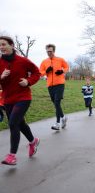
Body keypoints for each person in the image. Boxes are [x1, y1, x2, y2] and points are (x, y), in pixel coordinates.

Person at [0, 36, 40, 165]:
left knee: (12, 123)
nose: (1, 47)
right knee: (20, 123)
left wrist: (28, 81)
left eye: (3, 44)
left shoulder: (23, 61)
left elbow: (36, 72)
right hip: (7, 99)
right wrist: (1, 77)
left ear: (11, 45)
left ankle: (12, 155)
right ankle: (33, 141)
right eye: (0, 45)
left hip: (23, 97)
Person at [40, 44, 69, 130]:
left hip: (60, 84)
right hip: (50, 85)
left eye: (51, 51)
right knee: (56, 104)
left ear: (54, 51)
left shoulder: (60, 60)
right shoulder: (44, 62)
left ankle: (57, 123)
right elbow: (40, 73)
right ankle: (63, 118)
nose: (49, 53)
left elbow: (67, 67)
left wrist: (62, 71)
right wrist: (46, 71)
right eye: (48, 51)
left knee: (57, 102)